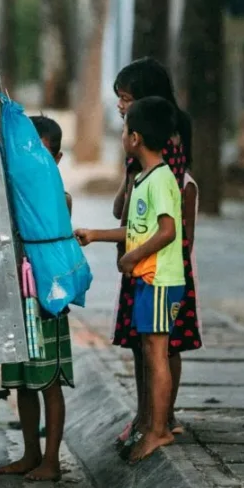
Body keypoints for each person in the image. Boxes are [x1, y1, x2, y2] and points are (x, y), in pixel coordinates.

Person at [76, 97, 185, 463]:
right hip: (145, 280)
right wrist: (95, 234)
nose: (121, 134)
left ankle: (158, 430)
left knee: (157, 354)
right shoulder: (143, 178)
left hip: (158, 280)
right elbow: (134, 231)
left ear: (135, 137)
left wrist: (133, 257)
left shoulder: (162, 179)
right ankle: (155, 425)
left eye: (124, 130)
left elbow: (167, 231)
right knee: (152, 352)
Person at [110, 58, 200, 453]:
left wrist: (135, 253)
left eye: (126, 100)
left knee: (163, 344)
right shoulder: (142, 153)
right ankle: (148, 415)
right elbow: (123, 208)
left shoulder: (166, 153)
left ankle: (159, 419)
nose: (120, 108)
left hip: (157, 265)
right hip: (142, 261)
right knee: (145, 343)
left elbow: (168, 223)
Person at [0, 115, 73, 482]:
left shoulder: (60, 197)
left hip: (46, 298)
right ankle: (30, 453)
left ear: (57, 159)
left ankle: (51, 461)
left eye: (43, 155)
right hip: (17, 297)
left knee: (49, 380)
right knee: (24, 382)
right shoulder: (11, 194)